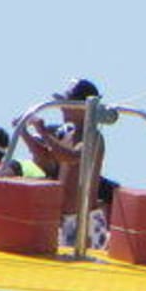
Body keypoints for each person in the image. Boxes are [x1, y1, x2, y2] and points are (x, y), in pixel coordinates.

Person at [22, 78, 110, 245]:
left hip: (85, 220)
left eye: (66, 103)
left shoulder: (93, 136)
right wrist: (24, 132)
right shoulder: (69, 134)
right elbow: (46, 157)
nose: (61, 107)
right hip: (65, 220)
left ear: (83, 108)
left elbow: (71, 157)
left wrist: (43, 132)